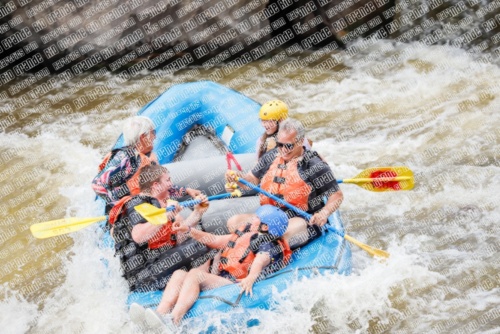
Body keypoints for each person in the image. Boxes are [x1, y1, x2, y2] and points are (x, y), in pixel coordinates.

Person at [131, 205, 292, 329]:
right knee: (180, 273)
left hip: (236, 285)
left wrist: (250, 279)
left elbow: (260, 260)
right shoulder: (250, 234)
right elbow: (214, 239)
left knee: (195, 275)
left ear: (265, 227)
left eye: (257, 217)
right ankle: (160, 314)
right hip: (222, 279)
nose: (252, 219)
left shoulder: (269, 244)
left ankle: (174, 321)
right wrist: (188, 230)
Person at [226, 118, 343, 247]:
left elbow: (337, 195)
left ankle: (261, 245)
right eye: (280, 144)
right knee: (233, 222)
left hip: (300, 220)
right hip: (269, 216)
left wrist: (324, 213)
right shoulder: (271, 156)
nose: (283, 150)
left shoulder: (314, 164)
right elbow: (251, 180)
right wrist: (238, 178)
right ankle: (252, 245)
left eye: (288, 145)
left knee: (283, 233)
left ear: (299, 141)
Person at [110, 164, 210, 293]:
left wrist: (197, 213)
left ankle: (196, 283)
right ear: (156, 186)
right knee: (198, 244)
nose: (172, 184)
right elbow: (139, 236)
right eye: (168, 180)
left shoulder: (163, 204)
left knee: (200, 238)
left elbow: (180, 239)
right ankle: (201, 286)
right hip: (143, 275)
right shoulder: (137, 204)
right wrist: (165, 216)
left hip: (158, 263)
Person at [92, 116, 200, 214]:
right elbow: (97, 184)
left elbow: (160, 186)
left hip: (146, 207)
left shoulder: (148, 158)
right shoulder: (126, 158)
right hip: (130, 214)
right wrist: (121, 206)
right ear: (144, 137)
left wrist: (186, 191)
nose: (155, 137)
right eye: (153, 132)